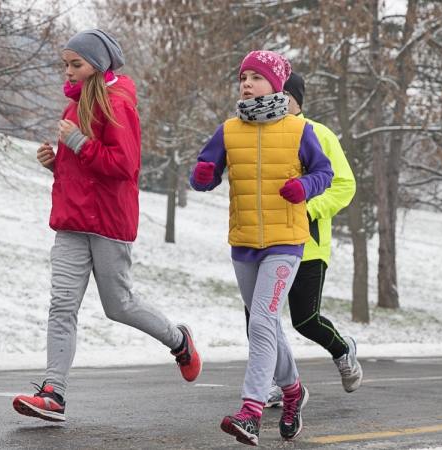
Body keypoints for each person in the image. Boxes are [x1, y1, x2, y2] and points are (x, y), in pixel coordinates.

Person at [12, 29, 202, 423]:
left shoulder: (118, 105)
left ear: (97, 66)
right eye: (65, 64)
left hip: (109, 222)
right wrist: (56, 162)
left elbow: (125, 166)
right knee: (61, 305)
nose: (69, 71)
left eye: (76, 64)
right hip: (71, 220)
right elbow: (82, 168)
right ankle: (54, 394)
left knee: (119, 306)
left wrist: (79, 143)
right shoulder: (73, 107)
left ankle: (179, 340)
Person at [191, 50, 333, 446]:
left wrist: (304, 187)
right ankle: (293, 392)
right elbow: (204, 174)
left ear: (276, 85)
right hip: (244, 242)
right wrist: (202, 175)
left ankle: (251, 412)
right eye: (243, 78)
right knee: (265, 322)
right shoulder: (229, 130)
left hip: (286, 242)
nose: (247, 83)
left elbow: (325, 173)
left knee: (260, 323)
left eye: (255, 77)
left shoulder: (298, 131)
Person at [247, 71, 362, 408]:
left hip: (308, 245)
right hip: (264, 244)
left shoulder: (318, 133)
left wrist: (308, 209)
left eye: (282, 91)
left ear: (294, 98)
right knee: (259, 317)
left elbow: (344, 184)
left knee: (304, 319)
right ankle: (275, 383)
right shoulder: (259, 132)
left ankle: (343, 351)